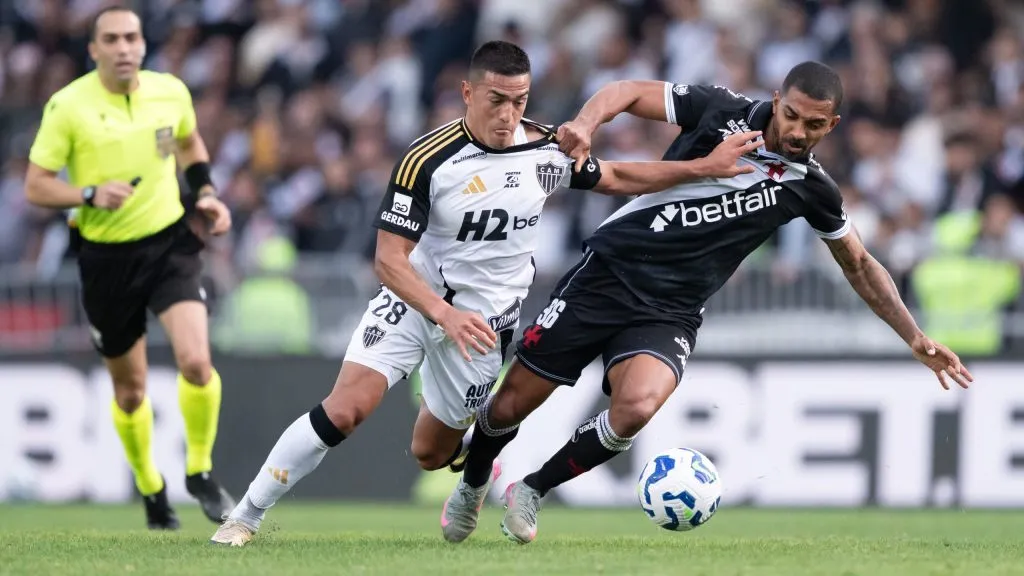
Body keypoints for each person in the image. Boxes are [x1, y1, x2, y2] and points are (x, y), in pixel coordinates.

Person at [209, 40, 763, 547]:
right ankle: (247, 516)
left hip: (483, 328)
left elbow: (618, 177)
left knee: (431, 453)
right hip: (416, 301)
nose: (508, 114)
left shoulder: (546, 151)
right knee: (347, 409)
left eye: (519, 101)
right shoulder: (427, 160)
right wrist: (441, 313)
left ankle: (468, 464)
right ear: (468, 93)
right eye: (496, 99)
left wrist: (701, 168)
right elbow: (388, 260)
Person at [445, 61, 975, 545]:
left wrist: (914, 336)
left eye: (814, 125)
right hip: (606, 275)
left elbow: (859, 264)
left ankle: (533, 489)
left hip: (670, 310)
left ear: (831, 125)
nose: (797, 131)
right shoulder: (722, 110)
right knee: (512, 403)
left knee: (636, 407)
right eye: (791, 115)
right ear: (777, 99)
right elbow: (627, 91)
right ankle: (473, 482)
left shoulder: (812, 188)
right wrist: (586, 124)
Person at [24, 7, 234, 530]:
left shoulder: (169, 92)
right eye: (111, 39)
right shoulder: (68, 106)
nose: (123, 47)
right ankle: (149, 486)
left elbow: (187, 143)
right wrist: (88, 193)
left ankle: (200, 472)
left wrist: (205, 193)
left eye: (131, 37)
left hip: (169, 244)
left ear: (143, 44)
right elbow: (36, 184)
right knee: (131, 392)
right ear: (93, 49)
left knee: (196, 363)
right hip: (105, 260)